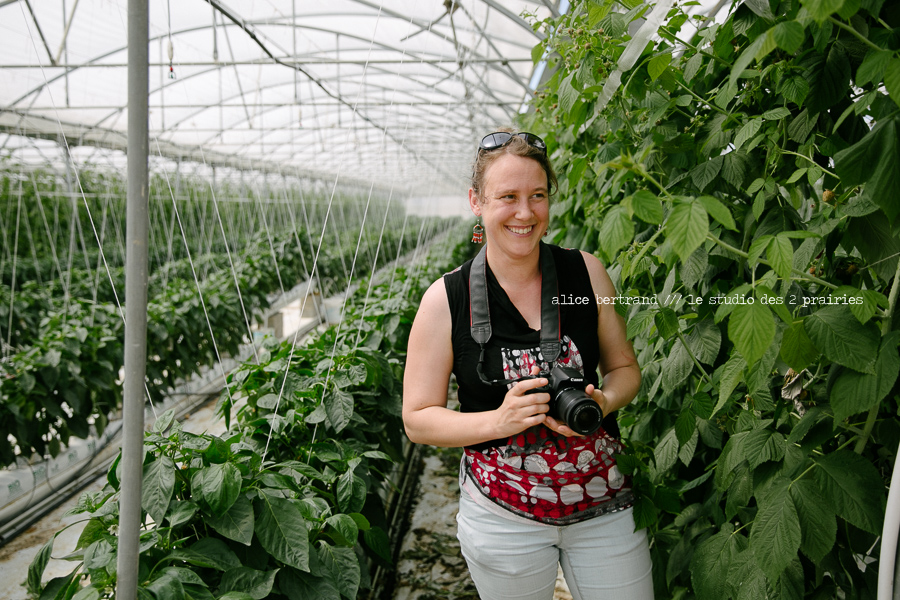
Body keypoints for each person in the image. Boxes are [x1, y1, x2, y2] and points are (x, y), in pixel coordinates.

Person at [402, 129, 653, 600]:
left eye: (537, 196)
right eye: (508, 197)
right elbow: (417, 418)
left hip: (604, 502)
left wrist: (604, 401)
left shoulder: (585, 273)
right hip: (503, 517)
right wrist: (498, 421)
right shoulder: (447, 300)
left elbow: (624, 369)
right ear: (476, 201)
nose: (525, 213)